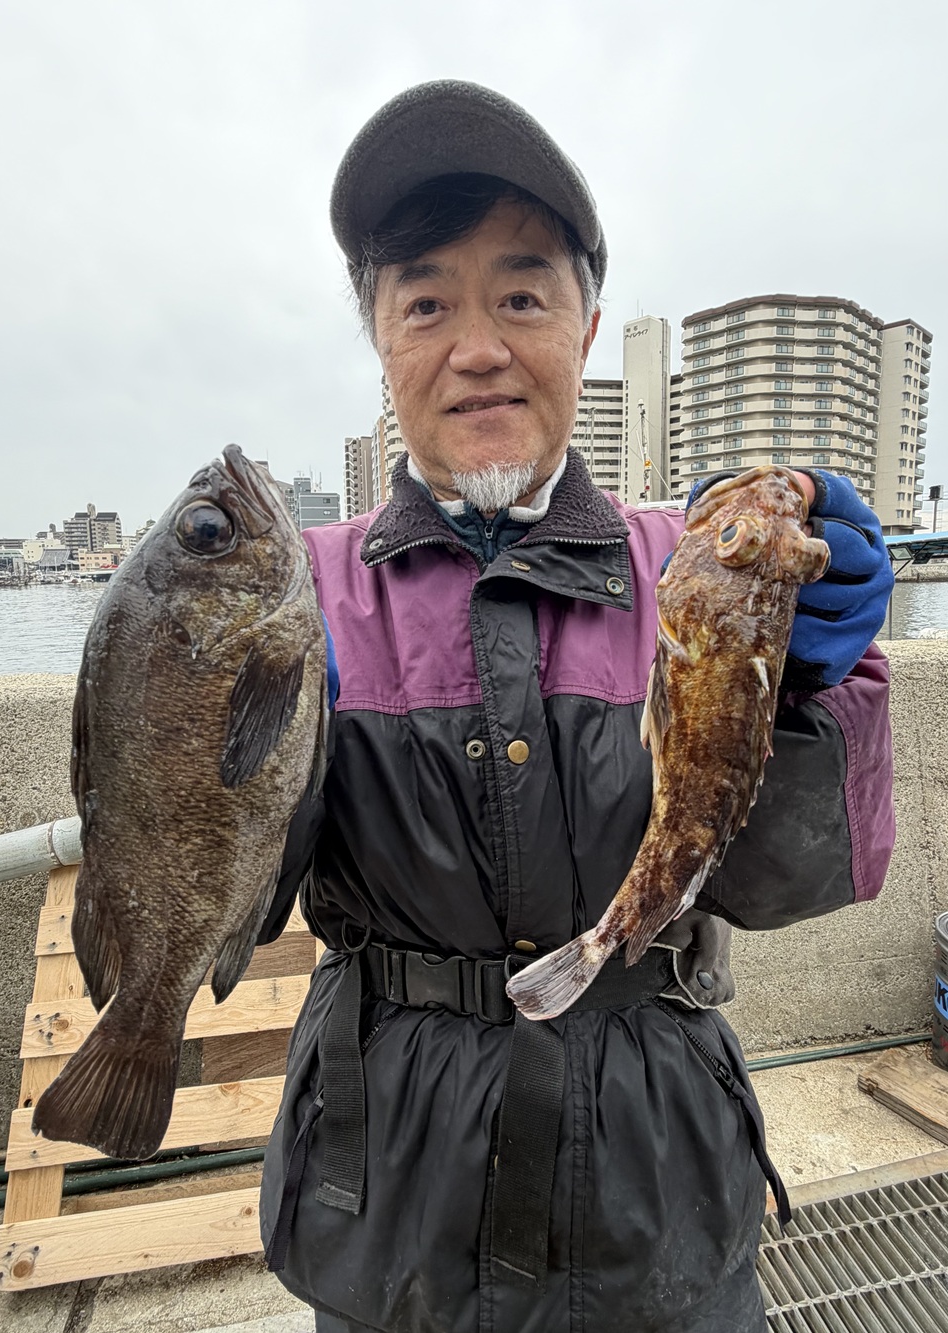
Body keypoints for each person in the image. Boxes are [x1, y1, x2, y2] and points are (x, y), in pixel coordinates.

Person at [257, 81, 896, 1333]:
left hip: (655, 1186)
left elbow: (782, 885)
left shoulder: (690, 560)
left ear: (586, 326)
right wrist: (245, 744)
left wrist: (804, 687)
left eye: (522, 295)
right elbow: (237, 907)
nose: (476, 347)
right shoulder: (300, 593)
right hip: (388, 1195)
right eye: (425, 302)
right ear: (378, 339)